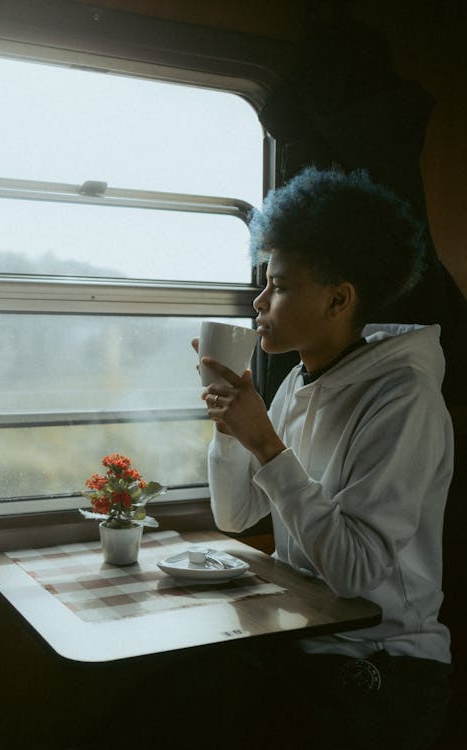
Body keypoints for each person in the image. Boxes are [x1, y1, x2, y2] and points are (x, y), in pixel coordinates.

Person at [198, 167, 454, 750]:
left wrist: (266, 443)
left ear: (340, 299)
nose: (259, 301)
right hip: (308, 640)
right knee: (175, 699)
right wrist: (232, 430)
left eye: (280, 286)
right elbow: (236, 518)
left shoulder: (403, 397)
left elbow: (356, 573)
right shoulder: (296, 383)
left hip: (382, 661)